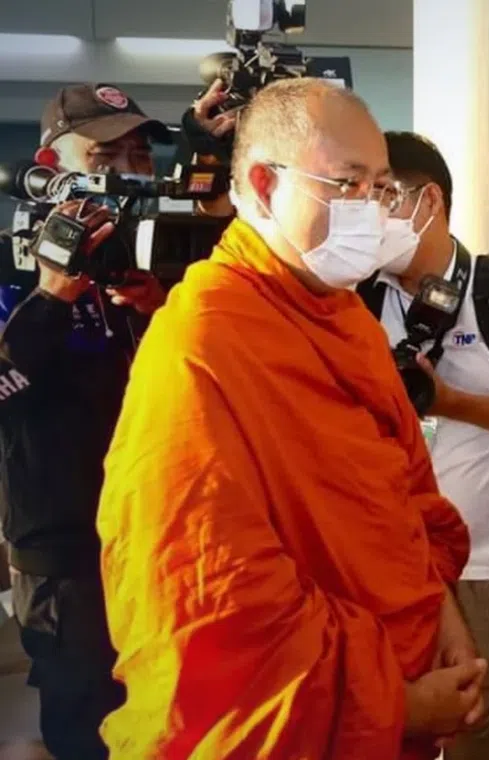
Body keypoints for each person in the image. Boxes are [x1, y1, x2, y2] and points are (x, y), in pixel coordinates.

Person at [96, 79, 485, 758]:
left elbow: (402, 497)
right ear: (265, 186)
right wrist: (393, 702)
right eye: (346, 183)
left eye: (382, 188)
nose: (370, 208)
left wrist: (441, 612)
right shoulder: (204, 339)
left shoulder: (345, 319)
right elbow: (212, 595)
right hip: (314, 719)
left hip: (402, 683)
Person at [0, 82, 225, 760]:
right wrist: (51, 298)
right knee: (88, 725)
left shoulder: (152, 274)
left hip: (162, 542)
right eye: (106, 154)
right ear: (49, 164)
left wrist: (155, 309)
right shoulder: (12, 280)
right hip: (66, 560)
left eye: (138, 155)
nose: (126, 171)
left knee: (170, 720)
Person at [356, 131, 489, 760]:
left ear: (428, 200)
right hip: (391, 575)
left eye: (380, 196)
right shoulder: (354, 301)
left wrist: (448, 403)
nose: (366, 217)